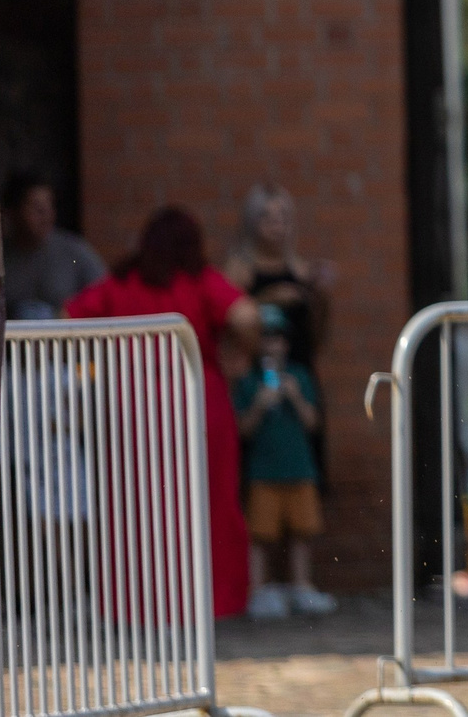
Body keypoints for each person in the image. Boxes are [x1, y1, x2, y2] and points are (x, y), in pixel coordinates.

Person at [67, 206, 260, 618]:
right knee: (207, 506)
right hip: (197, 404)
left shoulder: (120, 283)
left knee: (134, 509)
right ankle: (209, 601)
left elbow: (66, 319)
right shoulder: (198, 280)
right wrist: (240, 355)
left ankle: (134, 605)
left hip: (130, 412)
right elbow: (246, 315)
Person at [234, 302, 337, 619]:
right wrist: (259, 405)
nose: (271, 344)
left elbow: (313, 423)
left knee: (301, 533)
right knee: (261, 535)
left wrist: (294, 396)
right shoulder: (248, 381)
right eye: (265, 337)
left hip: (298, 468)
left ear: (286, 343)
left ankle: (301, 586)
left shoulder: (300, 376)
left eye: (277, 337)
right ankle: (259, 590)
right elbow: (243, 429)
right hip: (263, 471)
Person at [224, 183, 335, 371]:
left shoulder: (301, 270)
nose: (277, 225)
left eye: (283, 217)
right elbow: (230, 325)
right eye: (267, 217)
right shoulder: (239, 271)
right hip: (255, 373)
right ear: (252, 222)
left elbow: (318, 335)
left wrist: (322, 297)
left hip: (299, 369)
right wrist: (270, 299)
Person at [0, 170, 104, 320]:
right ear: (12, 212)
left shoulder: (73, 252)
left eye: (49, 205)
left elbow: (105, 294)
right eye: (35, 207)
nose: (45, 214)